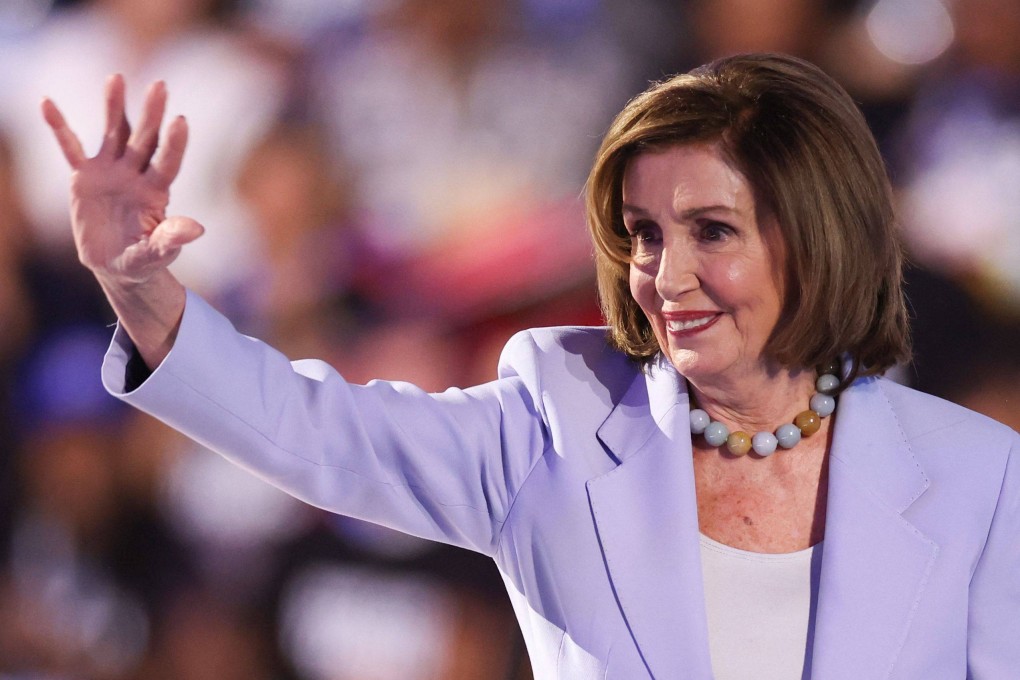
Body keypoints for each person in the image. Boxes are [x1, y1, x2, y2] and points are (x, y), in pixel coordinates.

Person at [43, 53, 1018, 679]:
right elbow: (313, 432)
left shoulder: (981, 479)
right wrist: (142, 293)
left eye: (711, 230)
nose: (663, 276)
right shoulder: (555, 421)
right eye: (642, 233)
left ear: (816, 238)